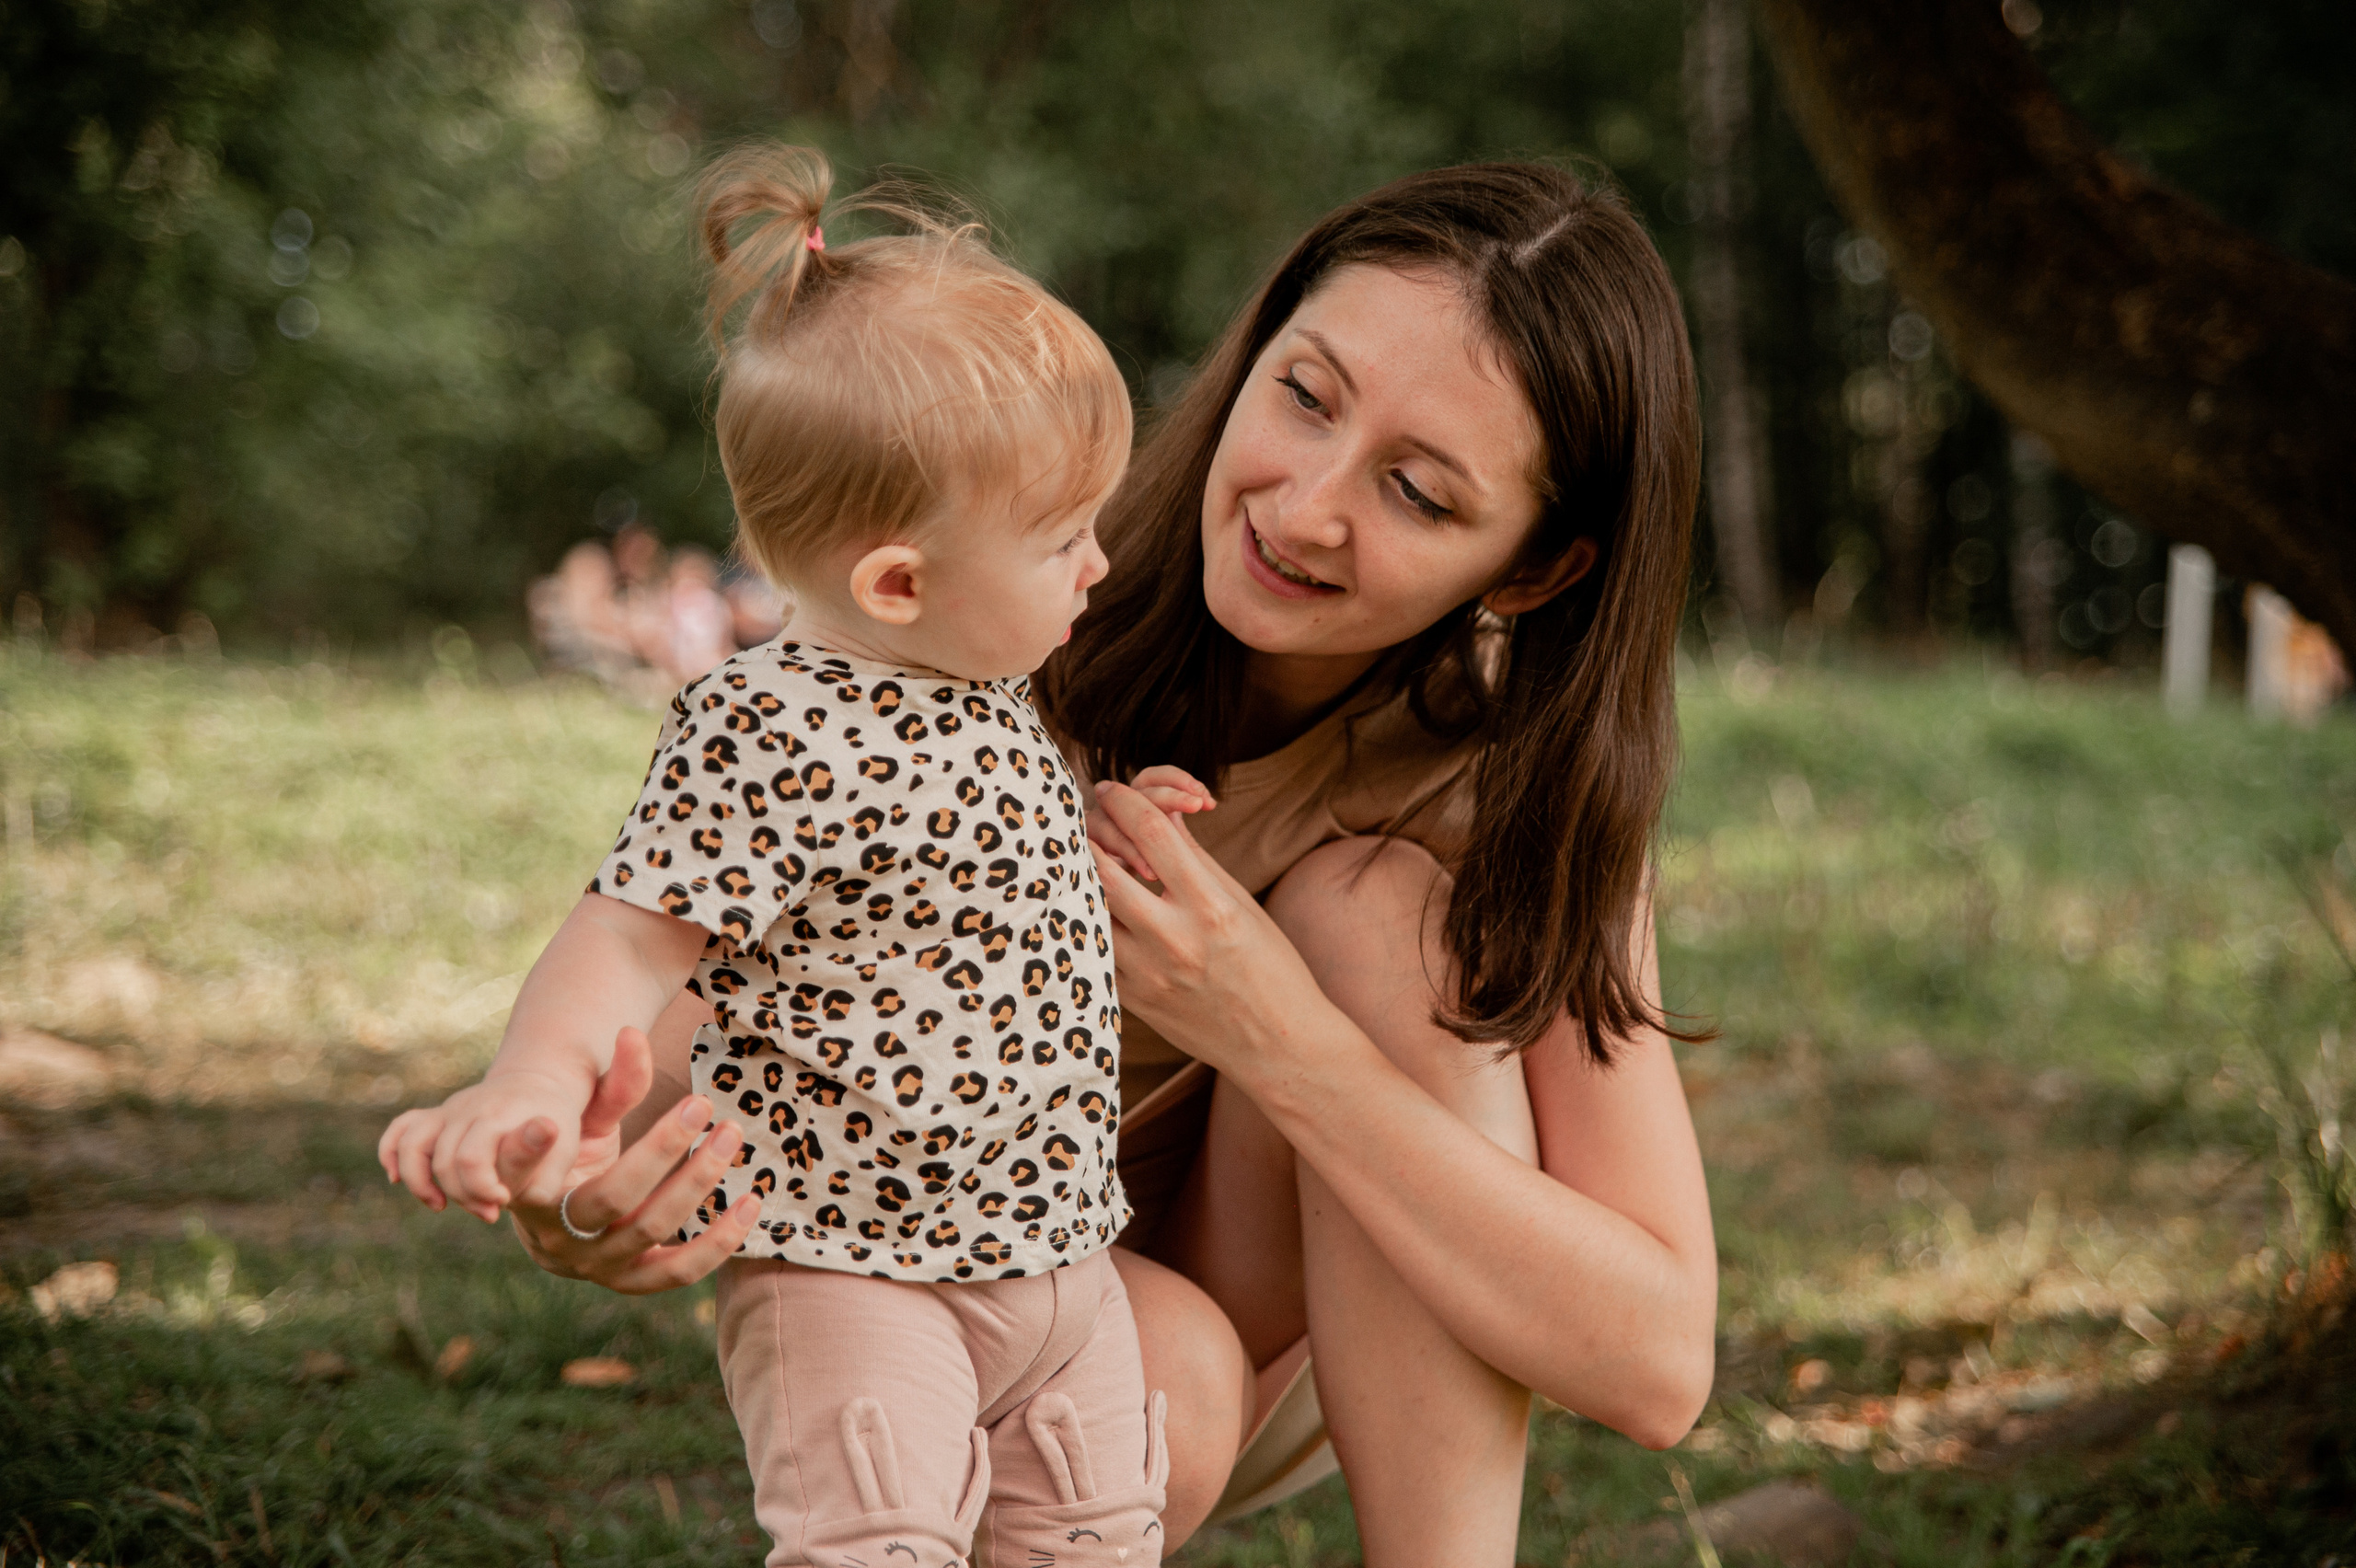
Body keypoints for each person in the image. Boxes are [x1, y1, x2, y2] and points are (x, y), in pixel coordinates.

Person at [487, 161, 1719, 1565]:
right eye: (1305, 395)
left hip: (1303, 1318)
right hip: (947, 1298)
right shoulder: (997, 609)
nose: (1304, 508)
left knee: (1376, 917)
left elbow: (1656, 1364)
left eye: (1418, 492)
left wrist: (1278, 1031)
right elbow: (664, 1044)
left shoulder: (1508, 790)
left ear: (1534, 570)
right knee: (1151, 1391)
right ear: (1254, 352)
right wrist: (576, 1197)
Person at [380, 144, 1214, 1568]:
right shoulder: (768, 724)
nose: (1099, 565)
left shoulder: (988, 692)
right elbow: (628, 931)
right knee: (876, 1541)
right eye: (1065, 538)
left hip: (1058, 1253)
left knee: (1094, 1538)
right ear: (898, 581)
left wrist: (1096, 841)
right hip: (854, 1263)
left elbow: (933, 886)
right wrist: (533, 1081)